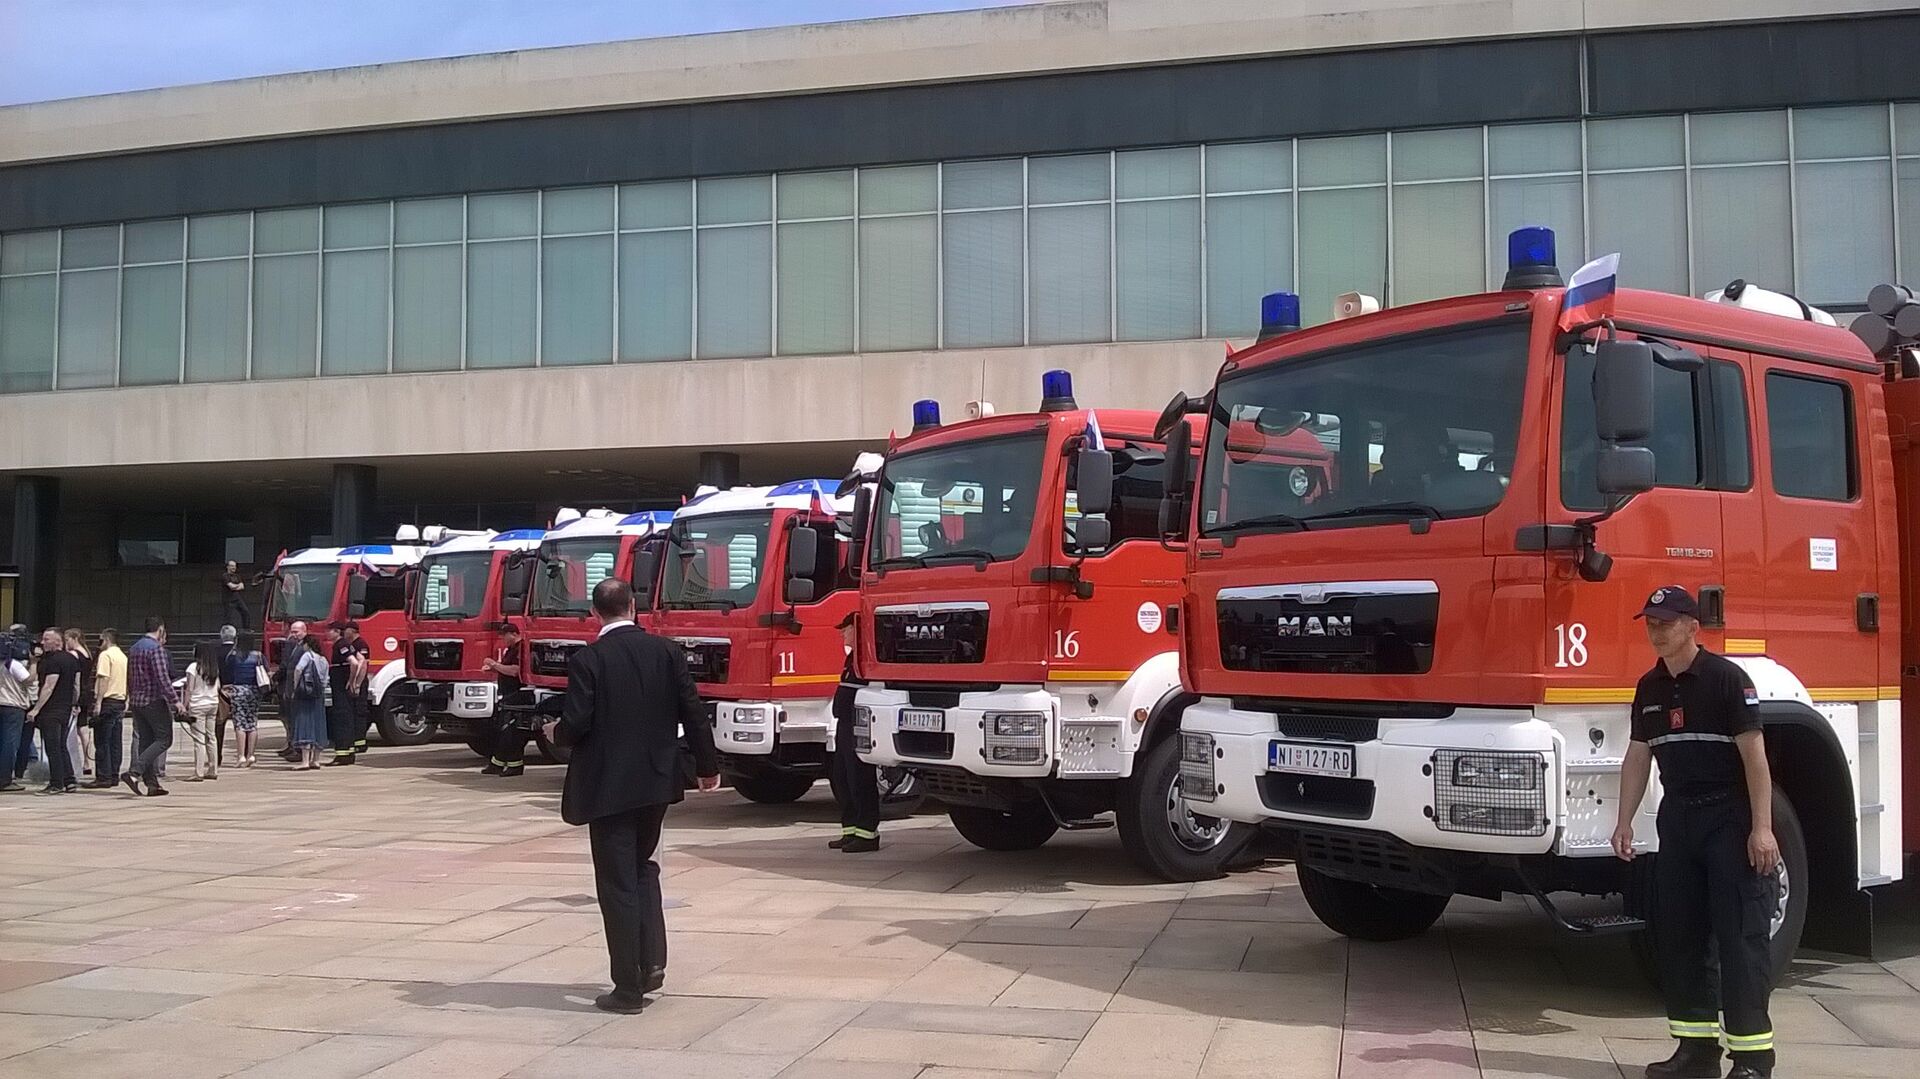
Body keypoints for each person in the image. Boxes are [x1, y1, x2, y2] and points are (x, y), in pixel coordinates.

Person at [1612, 586, 1779, 1079]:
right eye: (1650, 623)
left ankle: (1752, 1060)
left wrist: (1762, 829)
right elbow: (1638, 756)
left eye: (1665, 623)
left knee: (1740, 939)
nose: (1656, 631)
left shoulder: (1727, 680)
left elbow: (1755, 759)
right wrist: (1623, 821)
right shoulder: (1649, 687)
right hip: (1679, 820)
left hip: (1729, 819)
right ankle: (1696, 1053)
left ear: (1692, 627)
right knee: (1681, 938)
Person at [542, 577, 719, 1014]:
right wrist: (707, 766)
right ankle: (652, 962)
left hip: (608, 787)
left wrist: (554, 732)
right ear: (634, 607)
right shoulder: (667, 652)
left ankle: (627, 987)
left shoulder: (589, 659)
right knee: (644, 869)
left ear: (594, 613)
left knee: (617, 882)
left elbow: (576, 724)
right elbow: (693, 712)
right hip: (656, 781)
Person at [827, 613, 880, 852]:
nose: (842, 633)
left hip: (858, 723)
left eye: (846, 628)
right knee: (842, 777)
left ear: (857, 629)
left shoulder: (865, 658)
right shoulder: (852, 659)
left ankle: (868, 835)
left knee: (860, 778)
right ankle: (850, 830)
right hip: (844, 724)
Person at [125, 617, 179, 797]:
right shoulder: (156, 649)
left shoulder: (134, 648)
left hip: (137, 700)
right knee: (164, 739)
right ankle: (135, 771)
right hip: (153, 700)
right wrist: (175, 701)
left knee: (146, 741)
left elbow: (130, 676)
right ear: (160, 629)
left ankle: (152, 784)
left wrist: (130, 696)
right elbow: (162, 678)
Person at [28, 628, 79, 794]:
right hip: (65, 708)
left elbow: (49, 686)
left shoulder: (53, 661)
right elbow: (76, 685)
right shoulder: (72, 659)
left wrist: (36, 709)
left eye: (47, 639)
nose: (43, 642)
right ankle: (69, 780)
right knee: (61, 745)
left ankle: (56, 783)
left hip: (52, 709)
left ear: (58, 641)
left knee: (53, 747)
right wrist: (74, 703)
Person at [482, 623, 530, 777]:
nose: (502, 639)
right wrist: (494, 668)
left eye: (504, 635)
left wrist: (494, 665)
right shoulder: (511, 649)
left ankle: (515, 766)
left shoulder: (520, 648)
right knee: (501, 731)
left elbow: (515, 671)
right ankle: (497, 764)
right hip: (507, 695)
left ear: (514, 633)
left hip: (516, 695)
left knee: (511, 732)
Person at [286, 635, 331, 770]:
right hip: (318, 695)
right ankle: (315, 760)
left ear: (307, 644)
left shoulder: (307, 655)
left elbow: (298, 669)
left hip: (305, 695)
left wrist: (296, 686)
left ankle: (305, 761)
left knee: (305, 723)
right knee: (318, 724)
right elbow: (325, 678)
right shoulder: (323, 659)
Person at [326, 623, 368, 765]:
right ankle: (348, 753)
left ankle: (343, 755)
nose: (327, 634)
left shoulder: (341, 645)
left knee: (341, 719)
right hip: (343, 686)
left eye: (329, 631)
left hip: (340, 686)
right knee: (348, 718)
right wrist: (355, 682)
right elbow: (361, 660)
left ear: (337, 632)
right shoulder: (348, 644)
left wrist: (352, 681)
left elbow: (355, 663)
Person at [221, 631, 265, 768]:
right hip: (254, 690)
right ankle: (251, 754)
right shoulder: (258, 656)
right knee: (252, 722)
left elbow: (228, 673)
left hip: (238, 689)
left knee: (239, 723)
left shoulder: (233, 656)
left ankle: (240, 756)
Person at [91, 628, 128, 788]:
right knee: (115, 742)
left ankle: (103, 776)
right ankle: (114, 774)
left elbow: (103, 678)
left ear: (106, 640)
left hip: (107, 701)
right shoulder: (122, 656)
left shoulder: (105, 655)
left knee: (102, 741)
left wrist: (98, 702)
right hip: (119, 700)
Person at [0, 625, 33, 793]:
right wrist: (35, 665)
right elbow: (28, 680)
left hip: (1, 703)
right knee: (10, 743)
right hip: (13, 705)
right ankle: (5, 779)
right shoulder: (12, 664)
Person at [276, 620, 309, 762]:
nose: (294, 635)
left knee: (297, 720)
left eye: (297, 632)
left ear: (304, 631)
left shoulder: (304, 647)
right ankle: (295, 747)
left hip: (299, 689)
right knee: (292, 719)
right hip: (290, 688)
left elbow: (294, 668)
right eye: (293, 632)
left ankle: (299, 750)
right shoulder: (296, 645)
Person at [64, 629, 95, 781]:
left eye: (67, 640)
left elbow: (74, 676)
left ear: (74, 638)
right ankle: (88, 761)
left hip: (77, 692)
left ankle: (76, 761)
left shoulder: (74, 654)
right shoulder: (87, 653)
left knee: (75, 728)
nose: (66, 643)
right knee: (83, 727)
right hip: (86, 690)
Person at [221, 560, 251, 630]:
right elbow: (231, 586)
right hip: (228, 599)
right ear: (228, 567)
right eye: (232, 566)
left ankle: (246, 629)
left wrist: (235, 587)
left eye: (235, 566)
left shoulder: (237, 576)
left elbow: (242, 586)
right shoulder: (225, 576)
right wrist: (237, 586)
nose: (234, 568)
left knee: (245, 611)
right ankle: (227, 631)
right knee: (228, 616)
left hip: (237, 598)